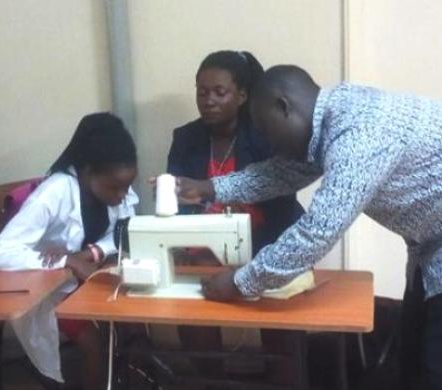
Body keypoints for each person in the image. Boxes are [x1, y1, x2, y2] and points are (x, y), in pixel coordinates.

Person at [178, 65, 442, 390]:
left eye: (265, 129)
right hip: (428, 250)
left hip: (435, 247)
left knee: (434, 368)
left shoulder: (360, 134)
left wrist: (239, 281)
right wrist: (210, 189)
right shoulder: (335, 114)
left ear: (283, 107)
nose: (268, 141)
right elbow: (279, 174)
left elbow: (316, 233)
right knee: (412, 361)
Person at [166, 50, 304, 382]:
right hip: (205, 253)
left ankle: (281, 380)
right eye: (202, 91)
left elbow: (281, 198)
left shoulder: (264, 134)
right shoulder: (185, 138)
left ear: (242, 95)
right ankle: (211, 380)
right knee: (193, 305)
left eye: (219, 92)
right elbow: (180, 206)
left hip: (266, 245)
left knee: (280, 329)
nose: (208, 100)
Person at [0, 112, 138, 389]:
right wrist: (66, 261)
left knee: (133, 318)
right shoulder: (53, 193)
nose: (122, 195)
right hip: (48, 288)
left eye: (127, 186)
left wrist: (90, 253)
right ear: (88, 171)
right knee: (95, 344)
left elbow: (125, 230)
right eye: (116, 187)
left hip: (86, 278)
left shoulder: (113, 188)